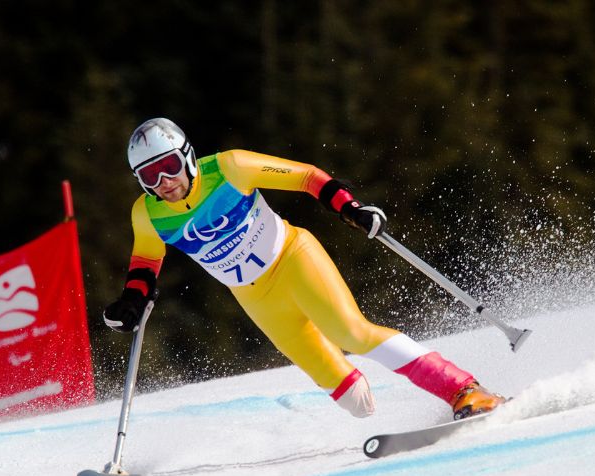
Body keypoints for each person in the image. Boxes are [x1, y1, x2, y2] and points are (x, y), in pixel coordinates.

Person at [103, 117, 505, 420]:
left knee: (352, 333)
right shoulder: (148, 214)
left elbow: (307, 177)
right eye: (149, 175)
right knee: (355, 402)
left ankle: (464, 389)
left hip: (293, 258)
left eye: (170, 165)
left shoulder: (230, 168)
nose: (165, 182)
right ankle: (370, 386)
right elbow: (145, 263)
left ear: (187, 156)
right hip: (255, 296)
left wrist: (350, 208)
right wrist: (131, 302)